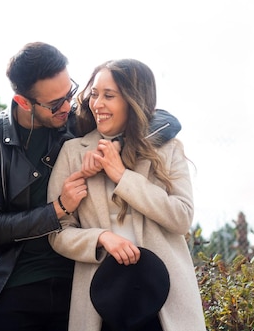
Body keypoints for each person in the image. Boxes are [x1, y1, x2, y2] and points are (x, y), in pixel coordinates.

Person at [0, 42, 183, 331]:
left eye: (69, 93)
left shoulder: (75, 121)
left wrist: (115, 148)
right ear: (23, 102)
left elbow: (159, 119)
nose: (68, 107)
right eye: (55, 104)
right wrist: (58, 208)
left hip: (75, 284)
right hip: (12, 290)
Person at [47, 58, 208, 331]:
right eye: (94, 95)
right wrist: (100, 238)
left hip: (165, 303)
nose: (97, 104)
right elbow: (57, 231)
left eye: (109, 96)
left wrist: (122, 176)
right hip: (101, 304)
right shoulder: (74, 152)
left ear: (133, 100)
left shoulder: (167, 149)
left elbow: (181, 217)